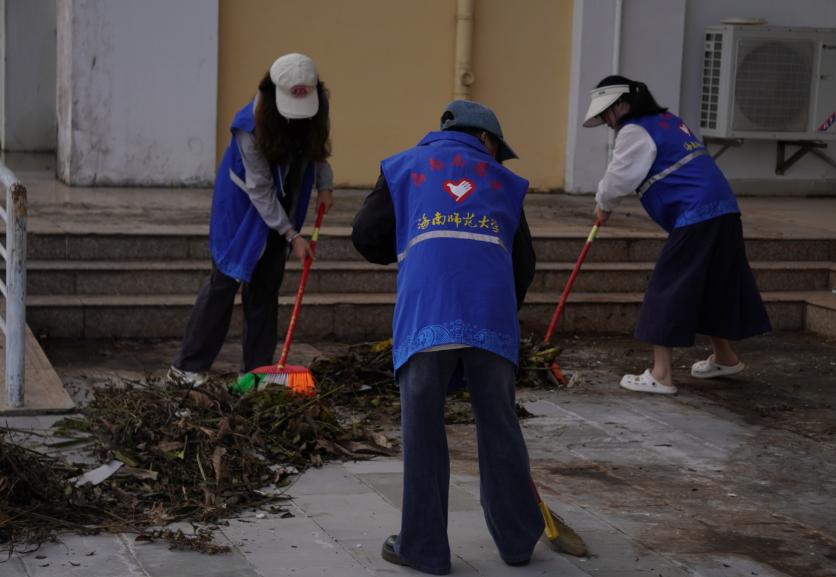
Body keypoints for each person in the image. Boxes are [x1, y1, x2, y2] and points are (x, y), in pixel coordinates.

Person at [352, 100, 544, 574]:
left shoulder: (402, 168)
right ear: (486, 139)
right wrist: (502, 312)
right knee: (498, 423)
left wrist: (417, 240)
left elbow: (366, 235)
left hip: (427, 311)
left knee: (423, 428)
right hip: (490, 314)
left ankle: (423, 549)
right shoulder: (503, 181)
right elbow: (524, 264)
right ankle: (517, 541)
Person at [583, 75, 771, 395]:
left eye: (605, 114)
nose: (607, 122)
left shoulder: (634, 130)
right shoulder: (668, 121)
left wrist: (603, 203)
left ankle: (661, 374)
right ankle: (725, 357)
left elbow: (619, 177)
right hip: (723, 208)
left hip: (696, 213)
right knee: (715, 282)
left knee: (667, 286)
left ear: (621, 105)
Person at [167, 53, 333, 387]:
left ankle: (256, 373)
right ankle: (186, 368)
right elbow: (259, 188)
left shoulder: (315, 110)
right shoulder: (248, 127)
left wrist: (325, 185)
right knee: (224, 283)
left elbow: (317, 153)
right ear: (273, 94)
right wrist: (291, 235)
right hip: (242, 209)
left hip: (283, 203)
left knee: (265, 290)